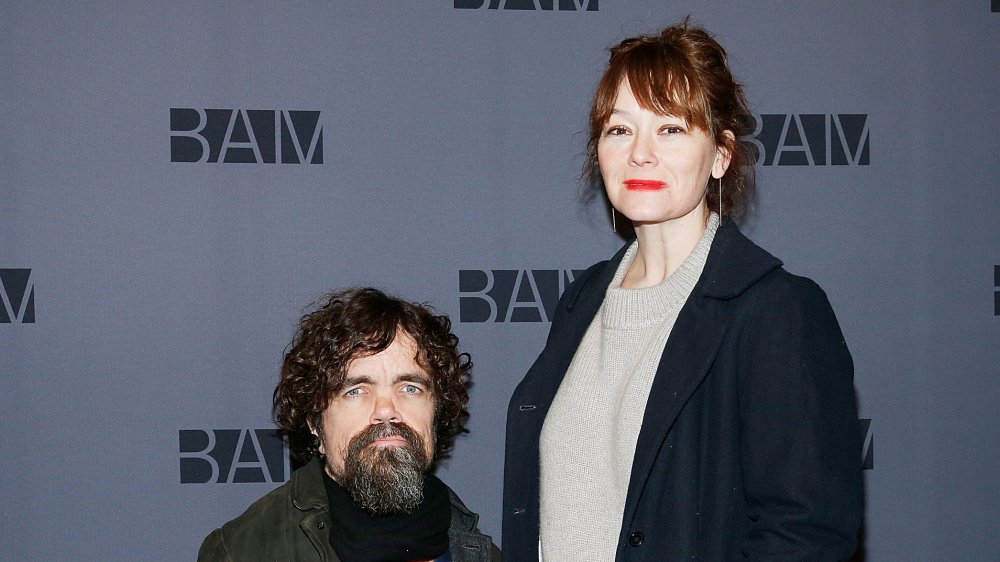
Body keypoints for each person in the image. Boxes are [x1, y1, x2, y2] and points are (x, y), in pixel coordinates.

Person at [502, 21, 863, 562]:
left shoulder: (777, 311)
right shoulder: (581, 304)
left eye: (671, 128)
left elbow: (805, 534)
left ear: (720, 155)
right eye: (620, 130)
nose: (639, 153)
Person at [200, 287, 500, 562]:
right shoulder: (242, 551)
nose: (386, 410)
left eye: (409, 388)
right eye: (355, 390)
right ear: (314, 420)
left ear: (437, 411)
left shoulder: (481, 552)